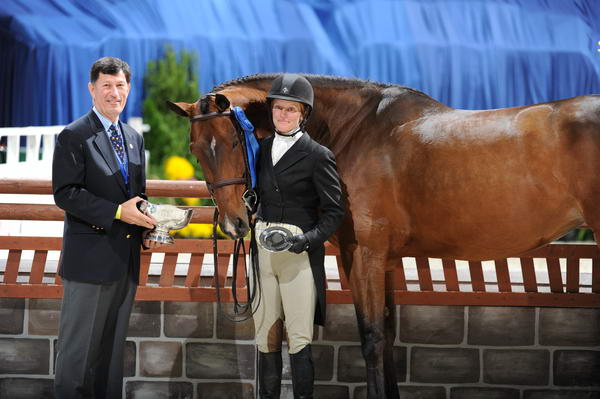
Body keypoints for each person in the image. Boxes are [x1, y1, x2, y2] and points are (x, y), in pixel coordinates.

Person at [52, 57, 161, 398]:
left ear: (129, 88)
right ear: (92, 89)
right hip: (89, 261)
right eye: (107, 86)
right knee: (77, 354)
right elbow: (66, 194)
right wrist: (116, 212)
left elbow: (137, 196)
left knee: (111, 355)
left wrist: (149, 227)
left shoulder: (132, 137)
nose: (115, 93)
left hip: (124, 259)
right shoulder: (74, 135)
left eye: (120, 85)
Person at [253, 74, 345, 398]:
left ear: (303, 113)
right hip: (262, 253)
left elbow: (335, 212)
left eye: (291, 110)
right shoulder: (261, 150)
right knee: (265, 336)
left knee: (299, 337)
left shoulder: (318, 155)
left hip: (299, 255)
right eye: (279, 108)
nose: (283, 115)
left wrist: (307, 240)